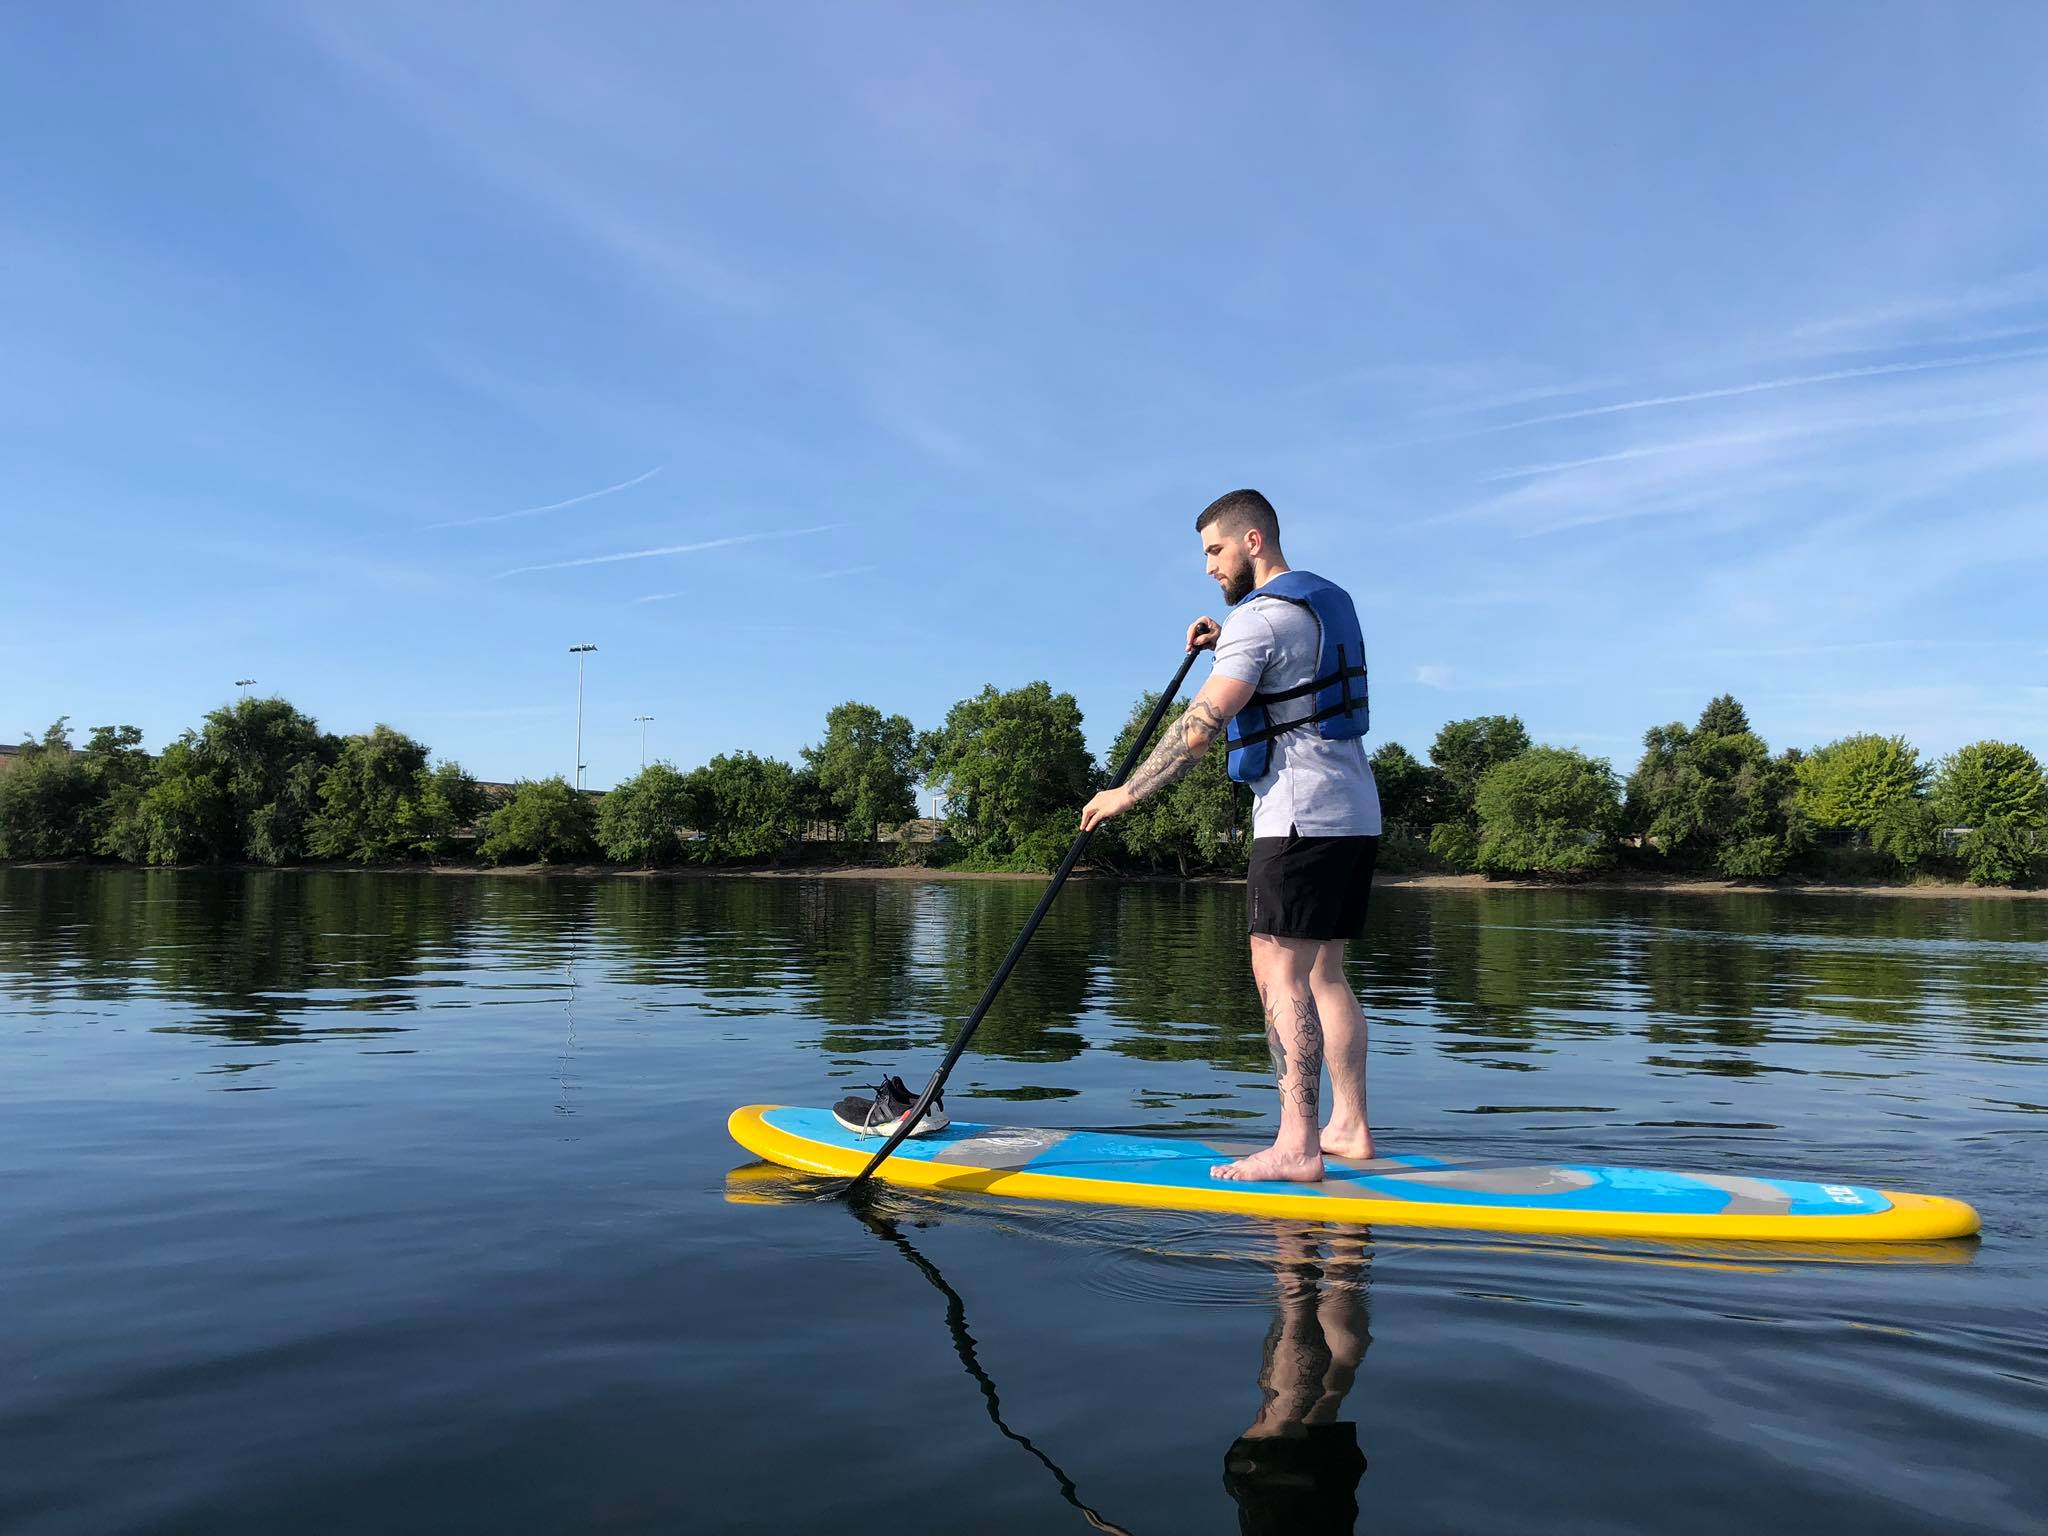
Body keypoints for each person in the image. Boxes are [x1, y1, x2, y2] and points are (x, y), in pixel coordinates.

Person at [1080, 488, 1381, 1183]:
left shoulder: (1259, 621)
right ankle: (1349, 1128)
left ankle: (1297, 1145)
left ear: (1253, 541)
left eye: (1215, 550)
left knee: (1278, 972)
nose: (1210, 568)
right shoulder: (1312, 607)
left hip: (1299, 820)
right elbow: (1291, 676)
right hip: (1352, 813)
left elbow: (1202, 725)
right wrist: (1227, 638)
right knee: (1326, 973)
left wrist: (1126, 792)